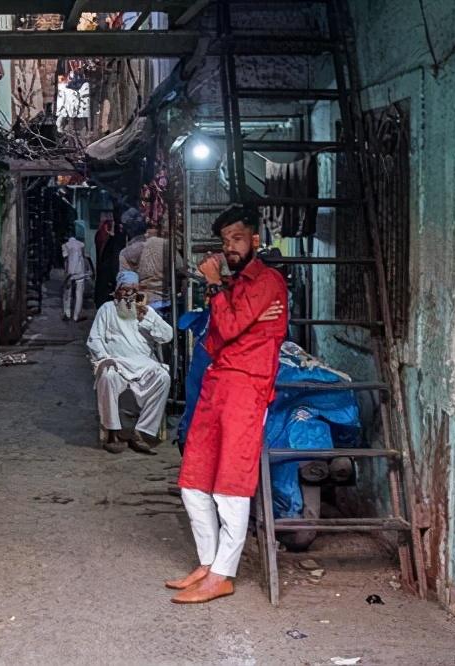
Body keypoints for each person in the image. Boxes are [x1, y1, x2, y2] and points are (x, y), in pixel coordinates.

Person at [166, 206, 287, 604]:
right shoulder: (236, 288)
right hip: (218, 383)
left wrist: (217, 289)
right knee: (193, 480)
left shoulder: (267, 282)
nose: (229, 247)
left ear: (255, 240)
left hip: (247, 389)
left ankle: (223, 574)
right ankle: (206, 563)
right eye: (224, 241)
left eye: (237, 238)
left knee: (231, 485)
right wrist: (227, 303)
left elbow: (230, 327)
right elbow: (218, 339)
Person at [87, 270, 174, 455]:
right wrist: (104, 358)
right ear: (117, 291)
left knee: (163, 378)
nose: (129, 294)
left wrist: (147, 318)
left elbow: (167, 336)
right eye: (125, 289)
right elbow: (94, 339)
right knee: (108, 376)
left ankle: (141, 431)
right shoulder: (107, 309)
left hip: (143, 363)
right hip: (117, 363)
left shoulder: (146, 311)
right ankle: (112, 432)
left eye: (133, 290)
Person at [61, 230, 90, 322]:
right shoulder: (81, 244)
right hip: (80, 271)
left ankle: (67, 313)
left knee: (67, 293)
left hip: (70, 272)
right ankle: (76, 316)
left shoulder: (65, 245)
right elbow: (84, 258)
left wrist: (66, 274)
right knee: (79, 294)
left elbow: (66, 260)